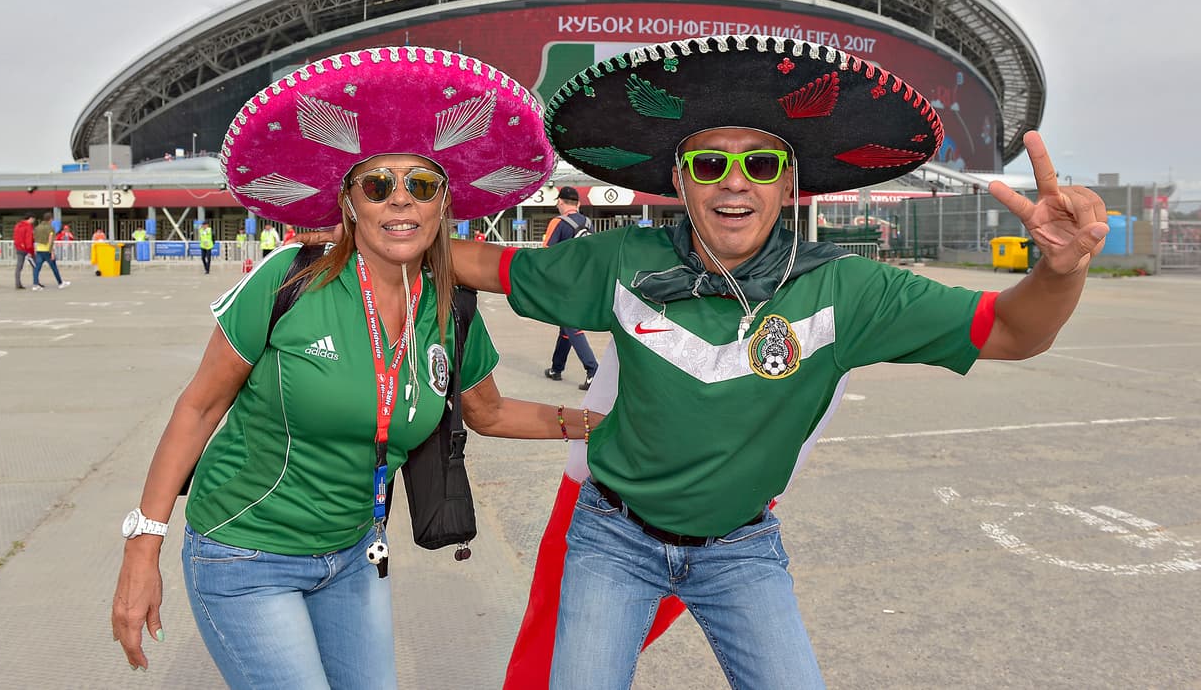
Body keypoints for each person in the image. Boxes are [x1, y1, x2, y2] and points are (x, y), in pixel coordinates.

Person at [451, 35, 1110, 689]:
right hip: (611, 540)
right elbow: (478, 264)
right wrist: (384, 226)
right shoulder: (623, 258)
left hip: (741, 552)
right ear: (680, 179)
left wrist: (1062, 268)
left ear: (789, 181)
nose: (734, 181)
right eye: (709, 165)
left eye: (760, 164)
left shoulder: (849, 288)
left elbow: (1016, 332)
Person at [111, 46, 588, 687]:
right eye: (377, 185)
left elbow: (491, 412)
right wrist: (144, 545)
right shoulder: (290, 282)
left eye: (420, 185)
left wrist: (600, 425)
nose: (399, 201)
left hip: (355, 560)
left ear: (442, 204)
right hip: (246, 554)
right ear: (349, 201)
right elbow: (198, 406)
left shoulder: (451, 308)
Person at [541, 186, 600, 391]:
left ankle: (593, 370)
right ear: (578, 204)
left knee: (571, 326)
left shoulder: (558, 223)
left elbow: (546, 254)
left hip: (565, 283)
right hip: (585, 281)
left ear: (561, 202)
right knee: (565, 326)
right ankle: (557, 368)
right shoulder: (589, 223)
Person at [32, 213, 71, 290]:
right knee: (54, 267)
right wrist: (52, 251)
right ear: (50, 219)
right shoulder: (50, 228)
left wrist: (35, 249)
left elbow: (34, 238)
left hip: (39, 249)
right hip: (47, 250)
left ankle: (35, 284)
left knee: (37, 268)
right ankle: (60, 283)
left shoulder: (37, 227)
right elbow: (50, 240)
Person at [12, 213, 36, 289]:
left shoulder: (18, 225)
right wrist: (30, 250)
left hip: (19, 248)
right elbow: (28, 238)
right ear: (31, 218)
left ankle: (17, 283)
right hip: (27, 249)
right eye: (33, 219)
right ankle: (36, 282)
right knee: (35, 265)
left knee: (19, 266)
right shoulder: (28, 226)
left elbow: (15, 237)